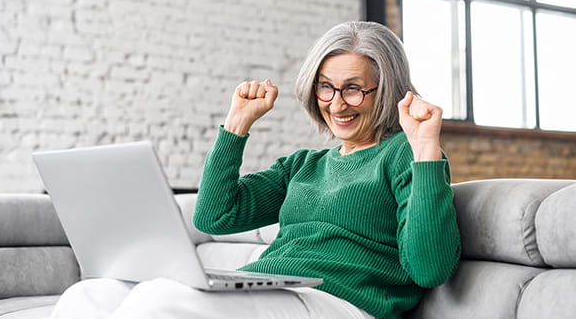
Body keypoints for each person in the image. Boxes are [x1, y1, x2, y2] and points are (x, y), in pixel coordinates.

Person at [51, 21, 460, 319]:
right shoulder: (304, 165)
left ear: (385, 90)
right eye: (325, 87)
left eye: (353, 88)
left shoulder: (405, 156)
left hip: (338, 304)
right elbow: (215, 215)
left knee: (161, 301)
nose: (337, 104)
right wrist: (236, 126)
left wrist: (425, 149)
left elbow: (429, 269)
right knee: (90, 296)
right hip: (272, 288)